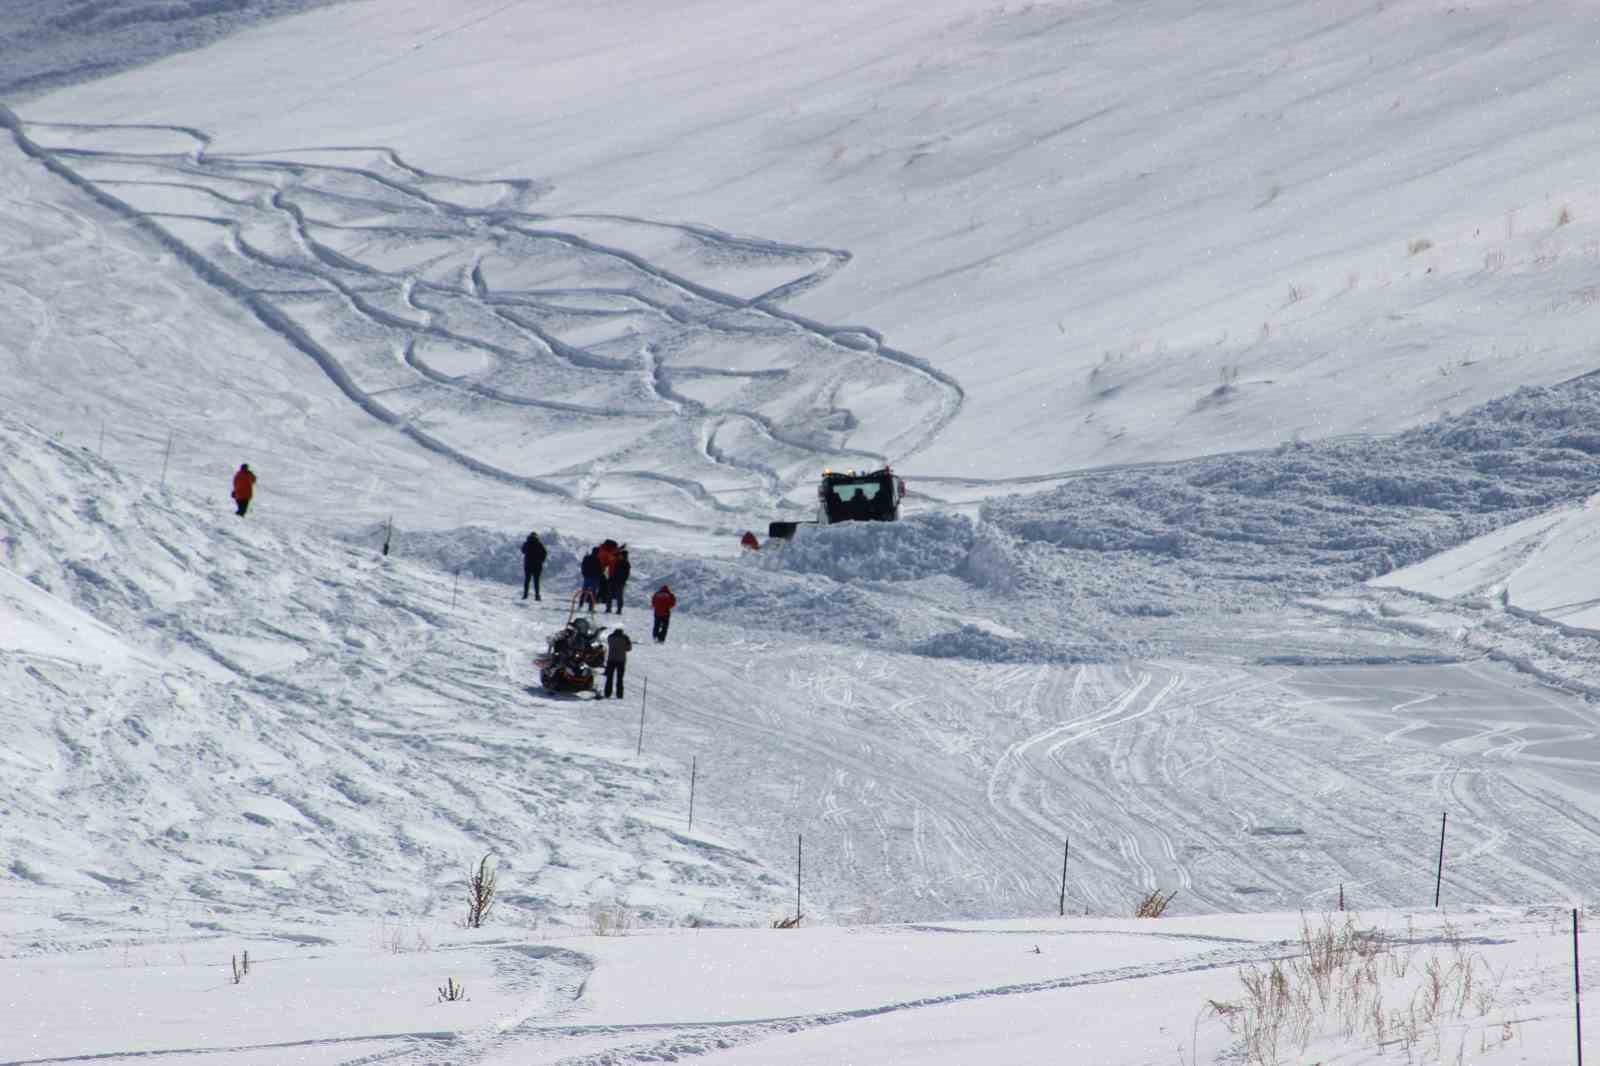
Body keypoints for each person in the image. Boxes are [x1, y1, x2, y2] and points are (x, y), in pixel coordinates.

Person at [602, 627, 632, 699]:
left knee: (609, 677)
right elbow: (628, 648)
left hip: (611, 660)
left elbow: (608, 641)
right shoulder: (625, 638)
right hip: (621, 661)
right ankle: (619, 694)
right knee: (620, 679)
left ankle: (607, 693)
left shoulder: (610, 637)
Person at [520, 531, 547, 601]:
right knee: (536, 582)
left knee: (527, 581)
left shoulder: (526, 543)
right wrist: (541, 560)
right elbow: (545, 553)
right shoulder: (539, 544)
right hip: (537, 566)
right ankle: (537, 596)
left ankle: (525, 595)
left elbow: (522, 550)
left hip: (528, 565)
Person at [605, 547, 630, 613]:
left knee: (610, 595)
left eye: (621, 555)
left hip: (614, 580)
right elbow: (627, 574)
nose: (620, 556)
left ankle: (609, 608)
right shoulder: (625, 563)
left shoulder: (618, 562)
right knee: (619, 596)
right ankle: (618, 609)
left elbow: (612, 555)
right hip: (619, 581)